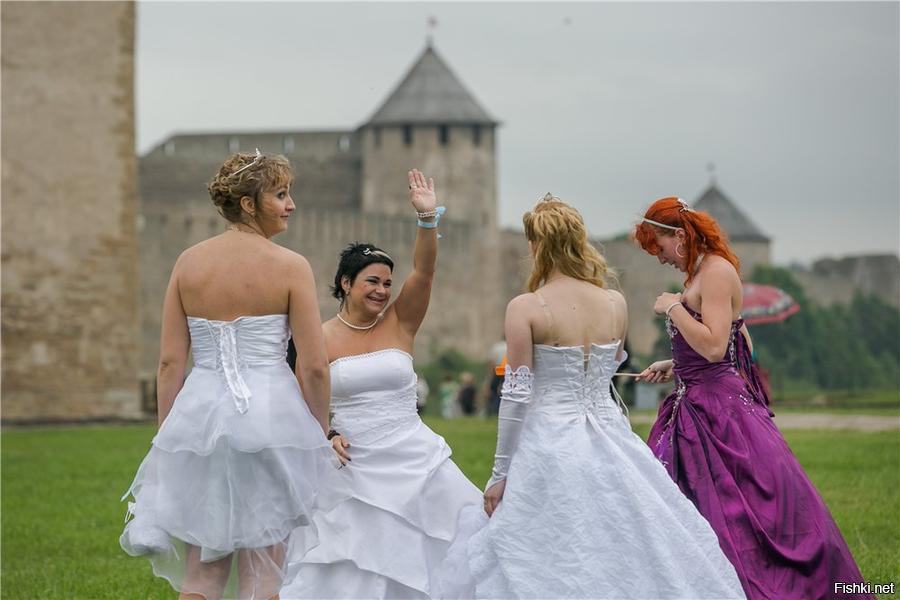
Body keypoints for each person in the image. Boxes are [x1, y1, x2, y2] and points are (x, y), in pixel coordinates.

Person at [438, 194, 744, 599]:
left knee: (548, 546)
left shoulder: (525, 307)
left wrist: (499, 475)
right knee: (624, 537)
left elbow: (516, 397)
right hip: (610, 437)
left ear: (537, 246)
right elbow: (615, 362)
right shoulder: (615, 303)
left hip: (548, 440)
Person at [634, 196, 872, 599]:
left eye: (657, 247)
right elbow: (726, 342)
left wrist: (673, 308)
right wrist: (674, 363)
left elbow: (713, 347)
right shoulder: (699, 274)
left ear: (678, 236)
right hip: (696, 403)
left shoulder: (715, 272)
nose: (659, 258)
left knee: (746, 508)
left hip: (721, 412)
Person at [120, 150, 333, 600]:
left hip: (200, 420)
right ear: (249, 204)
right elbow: (312, 365)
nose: (291, 204)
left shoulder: (188, 264)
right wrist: (319, 432)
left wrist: (169, 437)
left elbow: (169, 364)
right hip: (272, 417)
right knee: (265, 571)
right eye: (280, 194)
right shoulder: (291, 267)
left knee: (202, 571)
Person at [281, 170, 482, 599]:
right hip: (352, 465)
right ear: (345, 283)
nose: (382, 290)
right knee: (357, 563)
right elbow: (300, 400)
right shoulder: (316, 337)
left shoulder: (401, 321)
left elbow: (424, 273)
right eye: (372, 281)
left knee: (454, 543)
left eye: (387, 282)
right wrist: (327, 434)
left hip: (414, 457)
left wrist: (427, 219)